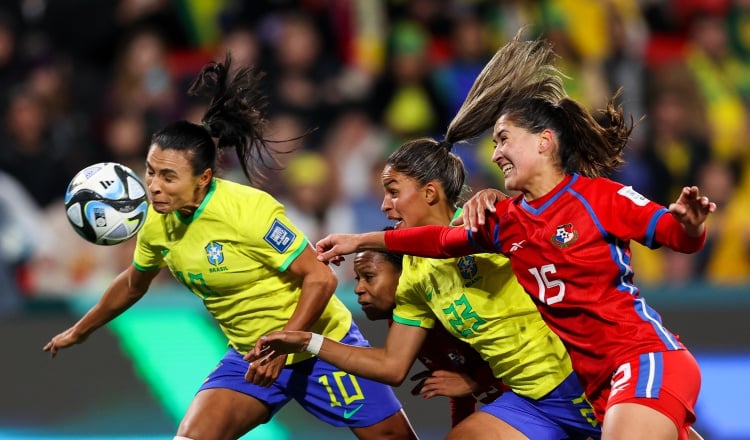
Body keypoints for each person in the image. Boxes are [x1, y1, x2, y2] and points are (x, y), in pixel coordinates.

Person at [309, 42, 715, 440]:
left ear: (544, 141)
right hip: (595, 385)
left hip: (642, 359)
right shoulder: (505, 222)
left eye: (504, 138)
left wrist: (691, 225)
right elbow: (442, 241)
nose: (496, 151)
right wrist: (359, 240)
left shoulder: (599, 197)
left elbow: (674, 234)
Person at [42, 54, 418, 440]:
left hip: (320, 347)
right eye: (151, 171)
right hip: (251, 355)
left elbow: (320, 278)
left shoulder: (248, 210)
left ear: (204, 178)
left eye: (168, 176)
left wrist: (284, 347)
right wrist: (81, 330)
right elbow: (133, 284)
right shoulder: (154, 221)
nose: (153, 185)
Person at [248, 134, 603, 439]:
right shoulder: (415, 274)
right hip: (529, 400)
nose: (385, 205)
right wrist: (307, 341)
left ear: (430, 192)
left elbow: (447, 241)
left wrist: (358, 240)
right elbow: (392, 365)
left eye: (393, 192)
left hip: (581, 378)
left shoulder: (481, 221)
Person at [352, 246, 507, 427]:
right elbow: (456, 383)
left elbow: (528, 360)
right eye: (358, 279)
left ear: (406, 272)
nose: (358, 288)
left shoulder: (455, 306)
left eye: (368, 277)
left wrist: (477, 383)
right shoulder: (403, 322)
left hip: (538, 407)